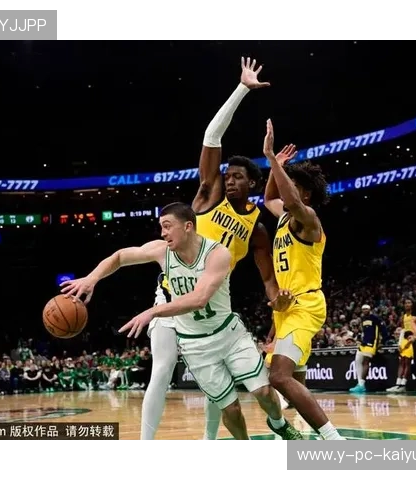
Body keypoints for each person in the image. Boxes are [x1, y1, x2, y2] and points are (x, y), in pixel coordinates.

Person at [136, 57, 292, 440]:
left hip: (214, 298)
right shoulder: (208, 197)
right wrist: (242, 89)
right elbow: (211, 136)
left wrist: (277, 301)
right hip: (172, 292)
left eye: (237, 176)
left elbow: (267, 279)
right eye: (228, 175)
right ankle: (144, 446)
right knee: (162, 368)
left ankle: (212, 440)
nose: (229, 180)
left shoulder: (256, 229)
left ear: (252, 183)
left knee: (217, 378)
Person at [63, 202, 302, 440]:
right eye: (161, 227)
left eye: (167, 226)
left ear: (188, 226)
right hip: (195, 345)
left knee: (263, 392)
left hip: (228, 335)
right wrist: (91, 279)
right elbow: (120, 257)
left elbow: (199, 299)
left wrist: (152, 312)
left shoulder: (218, 253)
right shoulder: (161, 251)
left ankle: (279, 423)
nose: (163, 233)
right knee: (230, 408)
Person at [262, 119, 345, 440]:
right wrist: (277, 168)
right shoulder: (284, 217)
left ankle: (335, 441)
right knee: (293, 379)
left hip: (306, 305)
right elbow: (270, 198)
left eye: (293, 185)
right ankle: (300, 436)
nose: (287, 188)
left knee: (278, 376)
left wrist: (271, 158)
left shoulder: (308, 219)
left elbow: (291, 201)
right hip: (286, 309)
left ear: (306, 194)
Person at [349, 304, 388, 393]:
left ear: (370, 309)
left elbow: (383, 329)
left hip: (372, 343)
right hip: (363, 343)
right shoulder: (363, 319)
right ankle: (359, 383)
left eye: (366, 309)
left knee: (365, 362)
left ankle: (362, 385)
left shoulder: (375, 318)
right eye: (363, 309)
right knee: (357, 360)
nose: (365, 310)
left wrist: (383, 342)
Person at [387, 298, 416, 392]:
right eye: (406, 303)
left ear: (412, 304)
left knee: (407, 363)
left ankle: (403, 385)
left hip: (412, 339)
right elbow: (403, 330)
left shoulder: (415, 315)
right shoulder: (403, 316)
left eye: (409, 303)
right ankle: (398, 384)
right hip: (404, 339)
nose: (407, 304)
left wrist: (412, 339)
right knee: (401, 362)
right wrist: (399, 343)